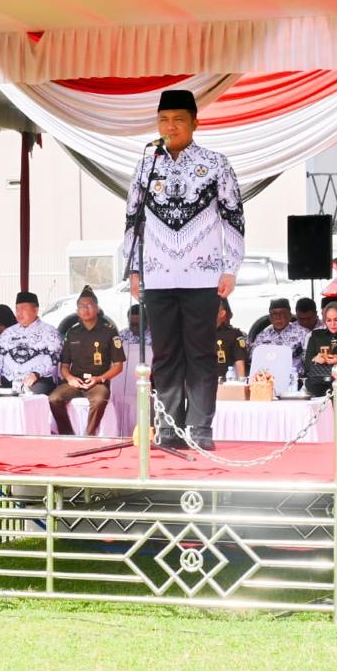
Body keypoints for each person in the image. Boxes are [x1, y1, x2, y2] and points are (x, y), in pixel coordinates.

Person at [124, 89, 244, 451]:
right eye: (164, 120)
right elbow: (132, 218)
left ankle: (200, 427)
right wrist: (134, 269)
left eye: (178, 120)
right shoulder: (146, 166)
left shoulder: (216, 164)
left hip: (202, 274)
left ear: (195, 122)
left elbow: (234, 216)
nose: (170, 126)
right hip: (158, 274)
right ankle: (170, 427)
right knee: (165, 354)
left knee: (201, 353)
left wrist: (230, 267)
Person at [49, 286, 125, 435]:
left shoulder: (109, 331)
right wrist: (70, 379)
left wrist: (99, 378)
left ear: (97, 308)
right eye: (81, 306)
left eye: (89, 305)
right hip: (75, 382)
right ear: (77, 311)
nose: (85, 309)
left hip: (98, 382)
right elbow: (64, 366)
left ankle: (89, 436)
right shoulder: (72, 332)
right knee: (54, 399)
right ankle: (67, 434)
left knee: (99, 400)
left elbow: (118, 366)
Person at [0, 291, 62, 394]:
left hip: (38, 379)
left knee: (31, 394)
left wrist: (36, 373)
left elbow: (53, 358)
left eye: (23, 309)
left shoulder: (50, 332)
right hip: (8, 378)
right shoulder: (8, 333)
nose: (19, 313)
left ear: (35, 310)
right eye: (17, 309)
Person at [251, 298, 311, 379]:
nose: (278, 317)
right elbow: (253, 357)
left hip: (294, 378)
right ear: (270, 318)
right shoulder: (263, 336)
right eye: (274, 314)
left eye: (282, 313)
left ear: (289, 316)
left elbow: (309, 361)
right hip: (268, 378)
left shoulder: (303, 334)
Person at [303, 300, 337, 397]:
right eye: (329, 320)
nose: (332, 324)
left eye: (336, 320)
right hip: (319, 384)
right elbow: (307, 367)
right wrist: (315, 359)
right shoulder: (316, 336)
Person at [215, 297, 248, 380]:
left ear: (222, 313)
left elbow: (240, 361)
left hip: (223, 382)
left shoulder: (234, 334)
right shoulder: (196, 333)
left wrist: (241, 383)